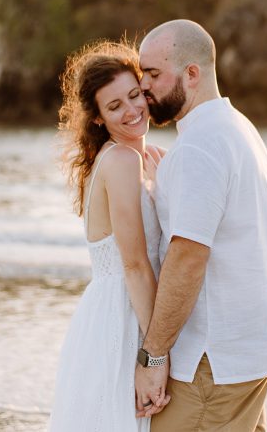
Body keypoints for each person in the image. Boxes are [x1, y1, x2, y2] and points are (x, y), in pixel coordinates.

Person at [134, 20, 267, 431]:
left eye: (153, 73)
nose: (143, 86)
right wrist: (168, 186)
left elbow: (187, 260)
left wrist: (152, 357)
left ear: (192, 74)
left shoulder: (199, 148)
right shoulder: (238, 130)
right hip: (248, 351)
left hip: (210, 362)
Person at [48, 40, 167, 432]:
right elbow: (134, 265)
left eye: (135, 95)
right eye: (115, 106)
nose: (132, 110)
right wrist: (156, 355)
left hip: (114, 310)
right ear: (97, 118)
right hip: (122, 316)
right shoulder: (120, 161)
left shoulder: (136, 161)